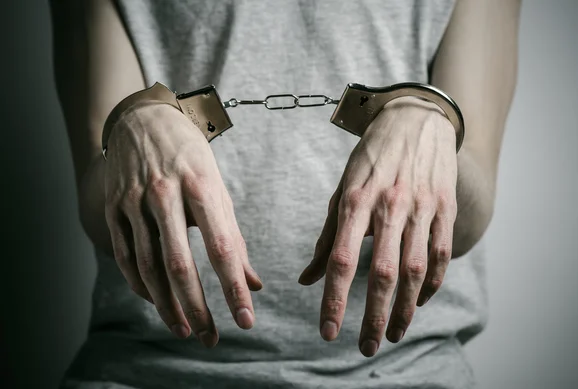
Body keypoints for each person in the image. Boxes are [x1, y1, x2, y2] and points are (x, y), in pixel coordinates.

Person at [50, 0, 520, 388]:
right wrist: (135, 121)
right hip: (147, 372)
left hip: (404, 372)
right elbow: (100, 218)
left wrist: (431, 120)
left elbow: (469, 217)